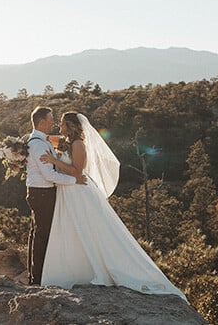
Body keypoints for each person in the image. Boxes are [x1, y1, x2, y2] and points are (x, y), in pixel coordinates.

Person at [39, 112, 187, 301]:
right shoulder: (65, 142)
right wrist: (18, 146)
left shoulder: (78, 144)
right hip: (68, 192)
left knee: (91, 231)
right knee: (72, 230)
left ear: (70, 125)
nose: (59, 126)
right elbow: (42, 138)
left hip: (79, 192)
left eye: (62, 123)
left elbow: (77, 172)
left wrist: (54, 161)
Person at [24, 106, 87, 285]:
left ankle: (38, 275)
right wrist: (75, 181)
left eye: (59, 122)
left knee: (40, 233)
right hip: (43, 193)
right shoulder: (38, 144)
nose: (55, 123)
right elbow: (50, 175)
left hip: (48, 193)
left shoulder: (43, 140)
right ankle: (37, 278)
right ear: (42, 122)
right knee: (43, 235)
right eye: (52, 119)